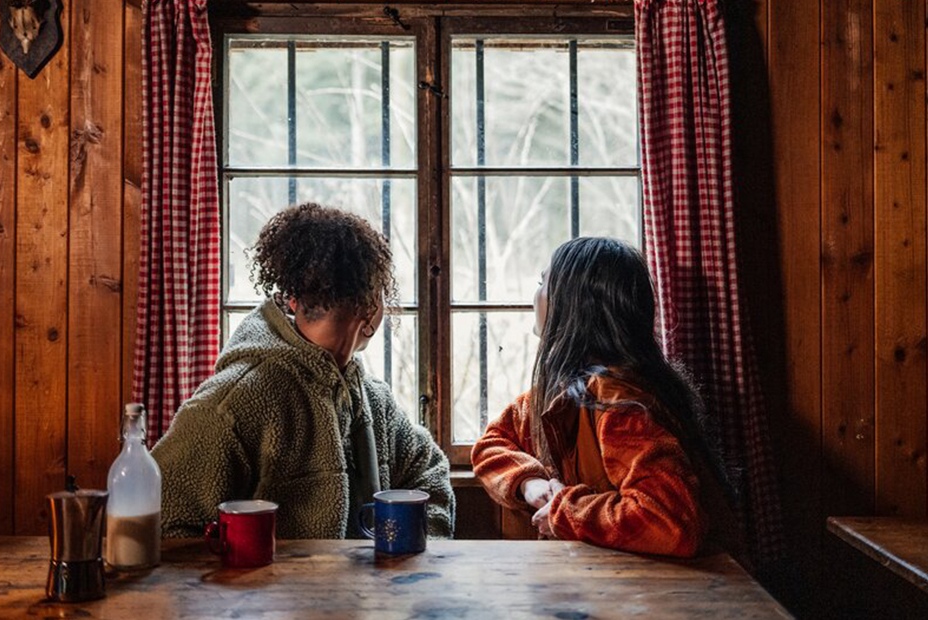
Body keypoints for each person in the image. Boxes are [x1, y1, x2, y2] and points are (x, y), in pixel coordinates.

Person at [153, 203, 454, 539]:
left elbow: (428, 470)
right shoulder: (235, 400)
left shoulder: (372, 399)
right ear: (371, 306)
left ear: (294, 299)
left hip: (371, 594)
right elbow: (166, 521)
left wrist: (418, 554)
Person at [471, 237, 734, 558]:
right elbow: (492, 442)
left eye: (543, 282)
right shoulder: (559, 394)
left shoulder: (618, 401)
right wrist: (530, 482)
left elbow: (668, 522)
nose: (535, 295)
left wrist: (564, 511)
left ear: (572, 304)